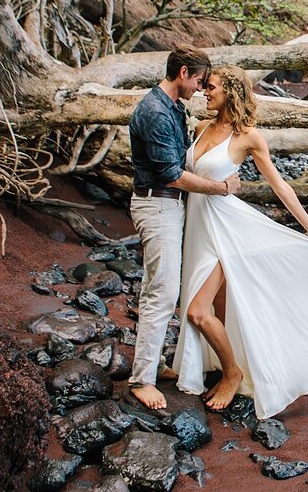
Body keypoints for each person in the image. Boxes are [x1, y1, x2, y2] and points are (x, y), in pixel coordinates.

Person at [172, 65, 308, 417]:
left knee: (196, 312)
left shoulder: (249, 138)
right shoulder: (200, 127)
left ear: (231, 92)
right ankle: (228, 361)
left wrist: (307, 222)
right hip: (197, 227)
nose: (204, 92)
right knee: (220, 305)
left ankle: (232, 373)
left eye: (210, 87)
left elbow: (278, 184)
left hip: (226, 231)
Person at [127, 45, 241, 411]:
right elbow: (172, 175)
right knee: (162, 293)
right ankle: (142, 380)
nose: (201, 88)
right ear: (183, 74)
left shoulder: (173, 108)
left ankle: (153, 364)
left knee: (156, 289)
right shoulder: (157, 112)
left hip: (168, 207)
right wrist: (222, 188)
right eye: (199, 81)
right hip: (157, 203)